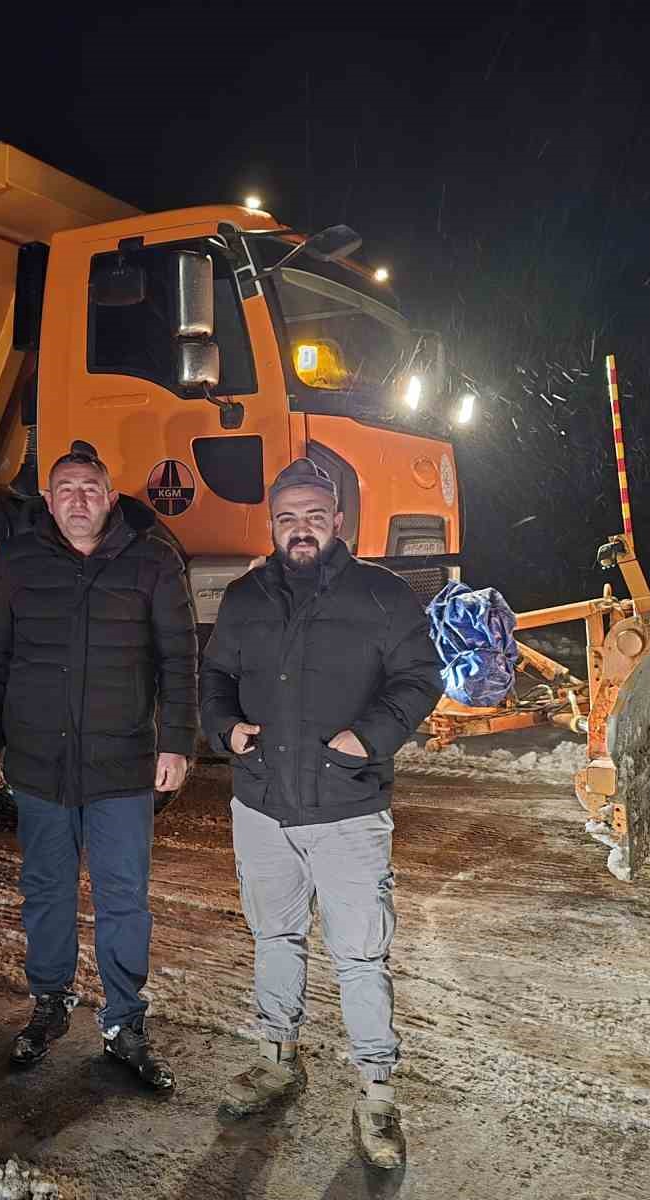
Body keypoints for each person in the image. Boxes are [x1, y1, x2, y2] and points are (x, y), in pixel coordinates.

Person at [199, 457, 441, 1169]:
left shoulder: (382, 595)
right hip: (262, 803)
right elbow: (213, 674)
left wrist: (368, 736)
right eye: (286, 518)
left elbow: (419, 677)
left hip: (346, 807)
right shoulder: (245, 598)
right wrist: (225, 728)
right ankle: (277, 1058)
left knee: (360, 955)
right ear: (272, 525)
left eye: (313, 516)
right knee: (274, 936)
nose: (299, 529)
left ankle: (376, 1093)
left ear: (338, 522)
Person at [0, 440, 196, 1092]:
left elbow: (179, 660)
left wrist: (176, 742)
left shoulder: (152, 561)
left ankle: (125, 1024)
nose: (78, 500)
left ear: (111, 492)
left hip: (122, 764)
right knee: (47, 891)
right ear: (47, 499)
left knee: (124, 899)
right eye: (65, 489)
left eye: (90, 488)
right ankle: (49, 1005)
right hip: (39, 763)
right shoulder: (19, 561)